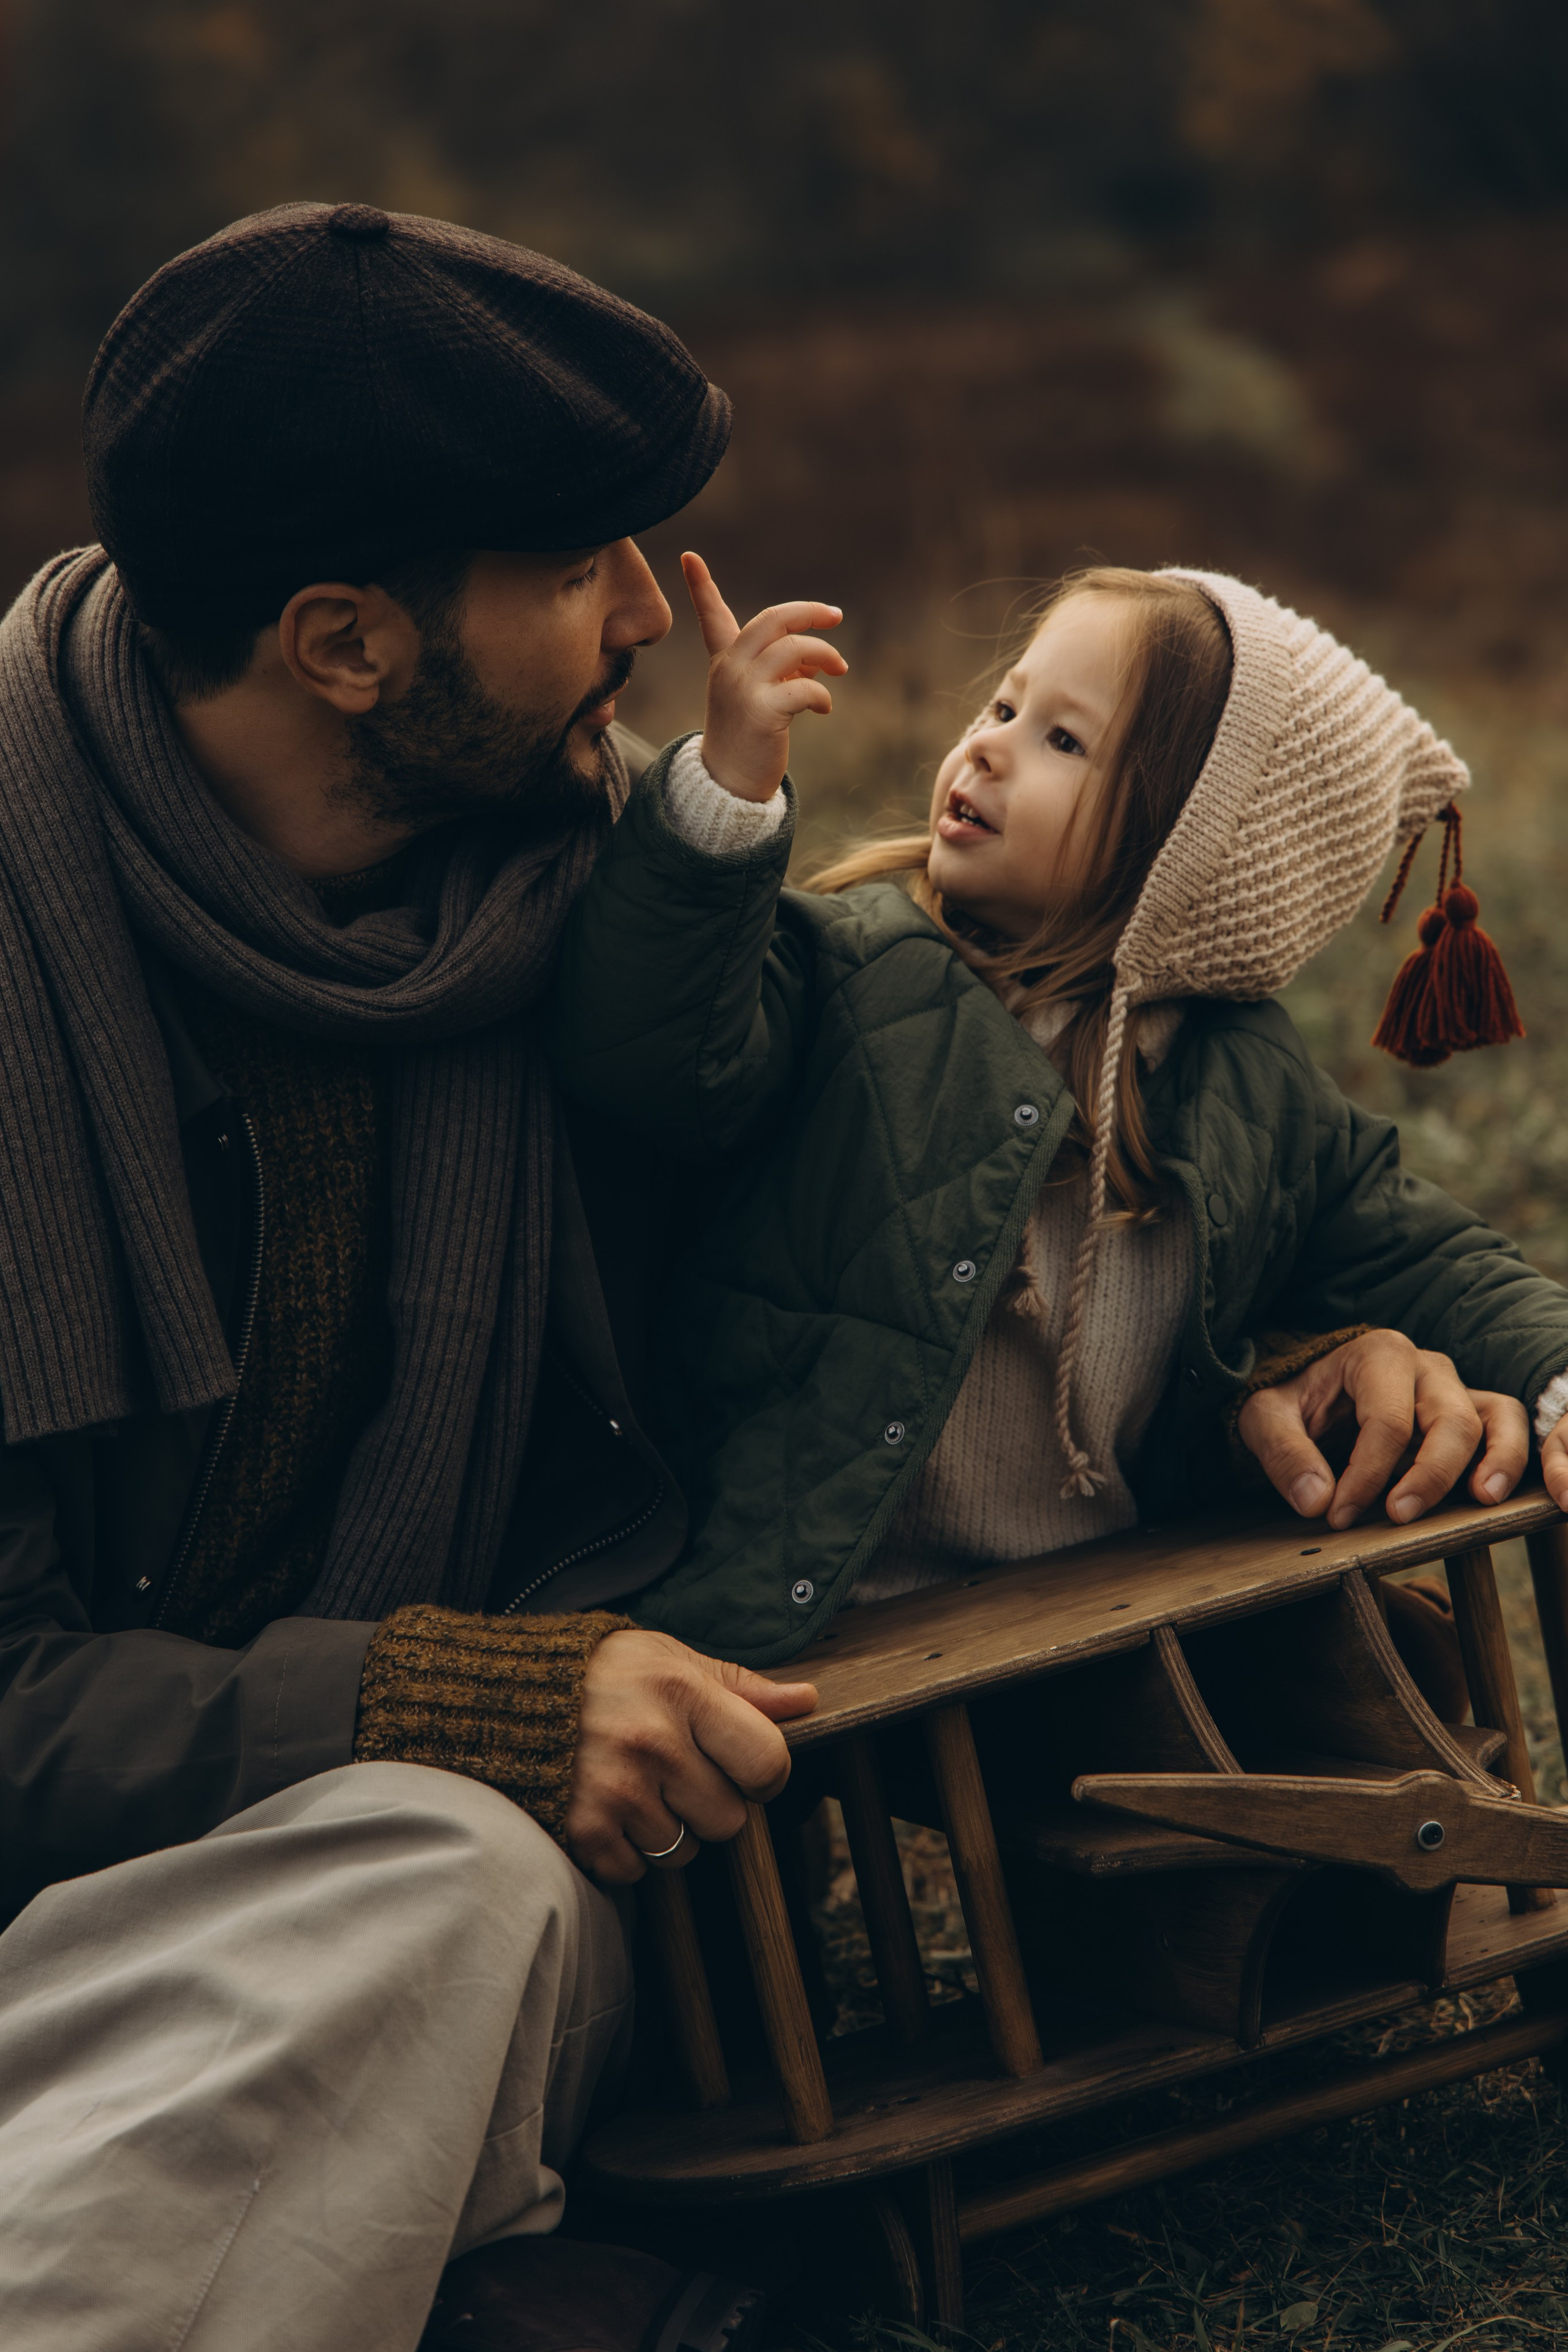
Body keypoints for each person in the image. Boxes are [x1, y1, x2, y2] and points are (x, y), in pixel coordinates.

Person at [0, 204, 819, 2352]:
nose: (647, 611)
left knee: (464, 1898)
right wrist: (440, 1702)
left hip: (384, 1912)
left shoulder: (587, 911)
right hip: (61, 1933)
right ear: (347, 645)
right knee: (445, 1877)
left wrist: (1313, 1342)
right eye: (574, 567)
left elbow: (927, 1194)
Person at [549, 555, 1568, 1675]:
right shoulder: (850, 974)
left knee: (1394, 1672)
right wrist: (725, 801)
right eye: (1003, 707)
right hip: (819, 1631)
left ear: (1197, 853)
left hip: (1102, 1625)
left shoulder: (1243, 1082)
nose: (989, 746)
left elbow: (1430, 1260)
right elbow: (648, 1053)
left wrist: (1558, 1374)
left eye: (1064, 740)